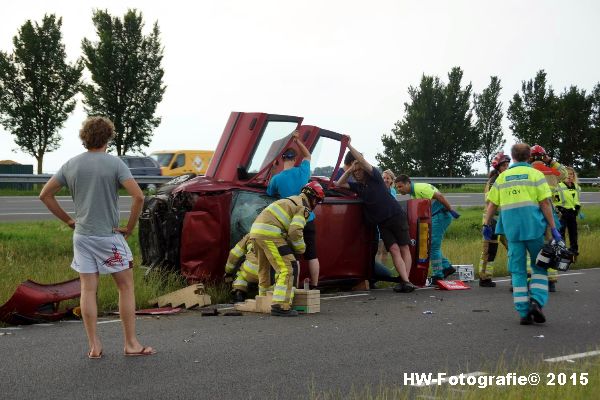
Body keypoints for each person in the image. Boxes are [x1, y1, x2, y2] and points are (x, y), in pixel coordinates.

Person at [39, 116, 155, 358]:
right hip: (108, 237)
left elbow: (45, 195)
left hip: (81, 236)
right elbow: (139, 197)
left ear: (85, 137)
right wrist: (130, 227)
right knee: (125, 286)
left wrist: (69, 220)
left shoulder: (70, 165)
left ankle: (94, 346)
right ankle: (131, 343)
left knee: (88, 289)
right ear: (108, 137)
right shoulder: (115, 164)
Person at [483, 143, 563, 325]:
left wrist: (486, 224)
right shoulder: (536, 175)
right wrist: (553, 228)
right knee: (540, 266)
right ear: (529, 157)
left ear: (513, 157)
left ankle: (523, 312)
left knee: (518, 271)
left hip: (512, 231)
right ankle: (536, 301)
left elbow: (492, 204)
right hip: (534, 228)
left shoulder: (503, 177)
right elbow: (545, 204)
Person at [335, 138, 414, 293]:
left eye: (359, 170)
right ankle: (405, 281)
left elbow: (363, 161)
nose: (357, 173)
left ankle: (407, 281)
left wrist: (349, 145)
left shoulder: (376, 177)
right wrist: (350, 170)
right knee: (394, 250)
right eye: (355, 171)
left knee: (404, 247)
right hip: (382, 222)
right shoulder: (358, 186)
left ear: (364, 170)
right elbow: (339, 184)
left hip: (395, 215)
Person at [250, 181, 325, 317]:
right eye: (317, 201)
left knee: (264, 268)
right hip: (270, 234)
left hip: (255, 233)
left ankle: (264, 300)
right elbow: (295, 231)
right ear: (313, 198)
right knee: (288, 267)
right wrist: (300, 248)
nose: (316, 204)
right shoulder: (303, 207)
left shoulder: (290, 200)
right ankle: (281, 305)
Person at [267, 131, 320, 288]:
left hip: (290, 222)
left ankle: (294, 289)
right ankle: (316, 286)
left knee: (294, 258)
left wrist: (272, 171)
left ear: (282, 160)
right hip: (307, 217)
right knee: (312, 255)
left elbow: (269, 193)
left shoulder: (276, 179)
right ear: (295, 159)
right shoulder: (303, 172)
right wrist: (297, 140)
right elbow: (308, 155)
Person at [395, 175, 460, 286]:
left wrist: (451, 210)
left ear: (408, 183)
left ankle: (438, 275)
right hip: (434, 217)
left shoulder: (420, 188)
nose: (399, 190)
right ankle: (446, 267)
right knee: (430, 246)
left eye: (400, 187)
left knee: (432, 246)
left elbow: (439, 196)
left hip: (440, 216)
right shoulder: (413, 193)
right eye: (397, 188)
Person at [529, 144, 567, 292]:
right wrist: (550, 161)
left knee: (532, 247)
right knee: (551, 246)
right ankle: (551, 281)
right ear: (543, 156)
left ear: (530, 157)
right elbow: (564, 173)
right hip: (551, 213)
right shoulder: (552, 171)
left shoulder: (528, 171)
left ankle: (531, 278)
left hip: (533, 213)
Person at [478, 152, 511, 287]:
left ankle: (517, 275)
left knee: (513, 248)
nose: (507, 167)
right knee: (490, 251)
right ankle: (484, 278)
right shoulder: (494, 181)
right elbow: (490, 201)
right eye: (504, 165)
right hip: (493, 220)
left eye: (508, 164)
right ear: (498, 167)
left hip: (505, 220)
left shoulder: (506, 179)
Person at [224, 234, 261, 303]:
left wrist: (228, 272)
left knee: (241, 275)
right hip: (270, 274)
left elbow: (234, 255)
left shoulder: (250, 236)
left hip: (249, 272)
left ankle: (239, 293)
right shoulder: (279, 237)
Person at [554, 166, 581, 255]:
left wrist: (577, 208)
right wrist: (559, 210)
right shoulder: (558, 186)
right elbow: (554, 200)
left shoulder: (577, 187)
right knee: (561, 233)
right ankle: (562, 252)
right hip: (562, 213)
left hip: (572, 213)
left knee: (573, 233)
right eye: (567, 174)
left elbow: (576, 199)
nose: (570, 176)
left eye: (571, 174)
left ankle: (574, 251)